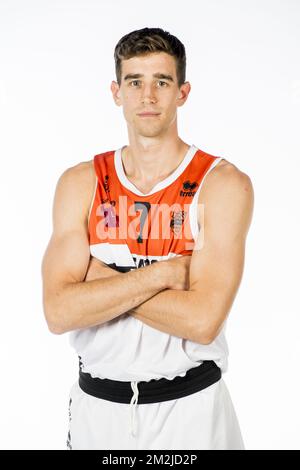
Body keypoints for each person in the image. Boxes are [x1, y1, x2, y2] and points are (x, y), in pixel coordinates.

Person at [41, 27, 254, 450]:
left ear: (183, 93)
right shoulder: (81, 183)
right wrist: (165, 275)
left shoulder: (222, 184)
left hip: (189, 409)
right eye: (135, 82)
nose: (148, 96)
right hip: (97, 410)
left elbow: (202, 320)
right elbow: (59, 312)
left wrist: (100, 281)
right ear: (117, 92)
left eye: (162, 81)